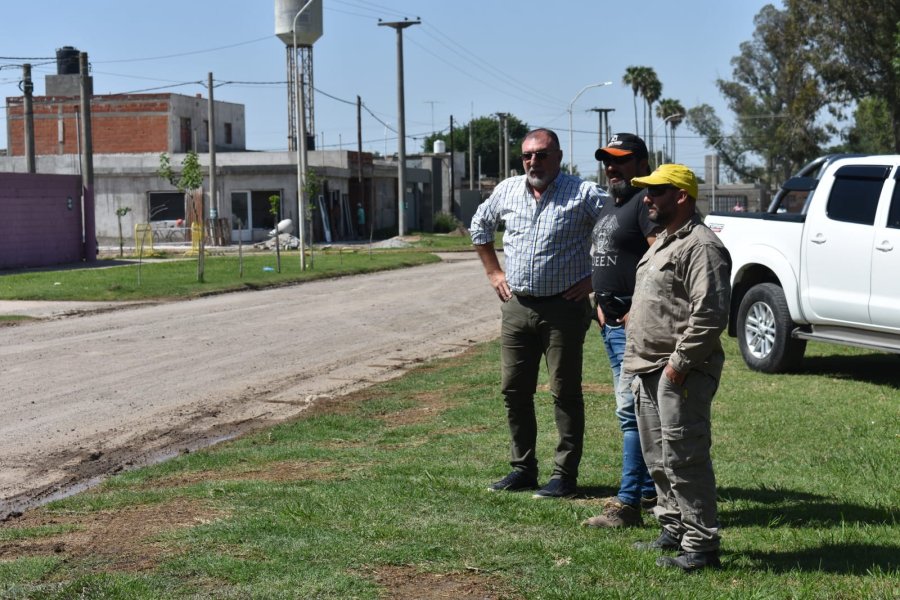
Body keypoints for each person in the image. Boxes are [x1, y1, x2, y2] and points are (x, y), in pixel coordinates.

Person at [470, 128, 607, 499]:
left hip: (563, 309)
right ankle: (523, 469)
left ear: (558, 157)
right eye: (528, 155)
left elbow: (618, 230)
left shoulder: (583, 193)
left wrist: (594, 278)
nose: (534, 162)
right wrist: (494, 273)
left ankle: (564, 475)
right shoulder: (508, 189)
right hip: (518, 307)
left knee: (564, 392)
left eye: (542, 155)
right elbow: (479, 226)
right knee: (513, 389)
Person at [625, 164, 732, 572]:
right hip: (648, 368)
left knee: (685, 459)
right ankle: (673, 527)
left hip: (678, 372)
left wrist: (677, 367)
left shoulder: (701, 245)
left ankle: (702, 547)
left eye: (657, 191)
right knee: (658, 458)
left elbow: (709, 314)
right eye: (647, 191)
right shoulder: (665, 241)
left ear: (682, 196)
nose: (647, 198)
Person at [581, 134, 660, 529]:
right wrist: (600, 299)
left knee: (631, 413)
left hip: (634, 323)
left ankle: (627, 504)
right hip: (610, 322)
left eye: (621, 161)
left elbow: (659, 261)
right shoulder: (612, 206)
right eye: (607, 162)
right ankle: (649, 492)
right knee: (636, 412)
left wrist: (637, 308)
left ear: (641, 163)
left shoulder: (645, 205)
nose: (612, 168)